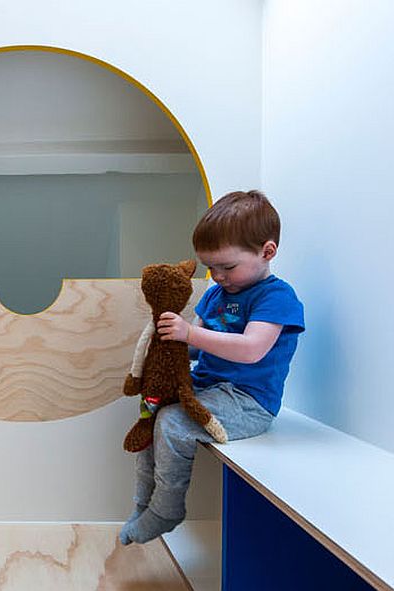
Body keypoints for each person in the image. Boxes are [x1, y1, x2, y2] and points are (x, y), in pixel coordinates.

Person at [120, 189, 305, 545]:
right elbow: (193, 347)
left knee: (173, 423)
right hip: (207, 387)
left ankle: (166, 509)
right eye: (210, 267)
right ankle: (143, 502)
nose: (217, 276)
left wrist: (189, 332)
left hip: (248, 402)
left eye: (228, 266)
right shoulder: (216, 294)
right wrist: (166, 348)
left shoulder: (276, 297)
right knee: (150, 408)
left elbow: (252, 350)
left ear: (267, 252)